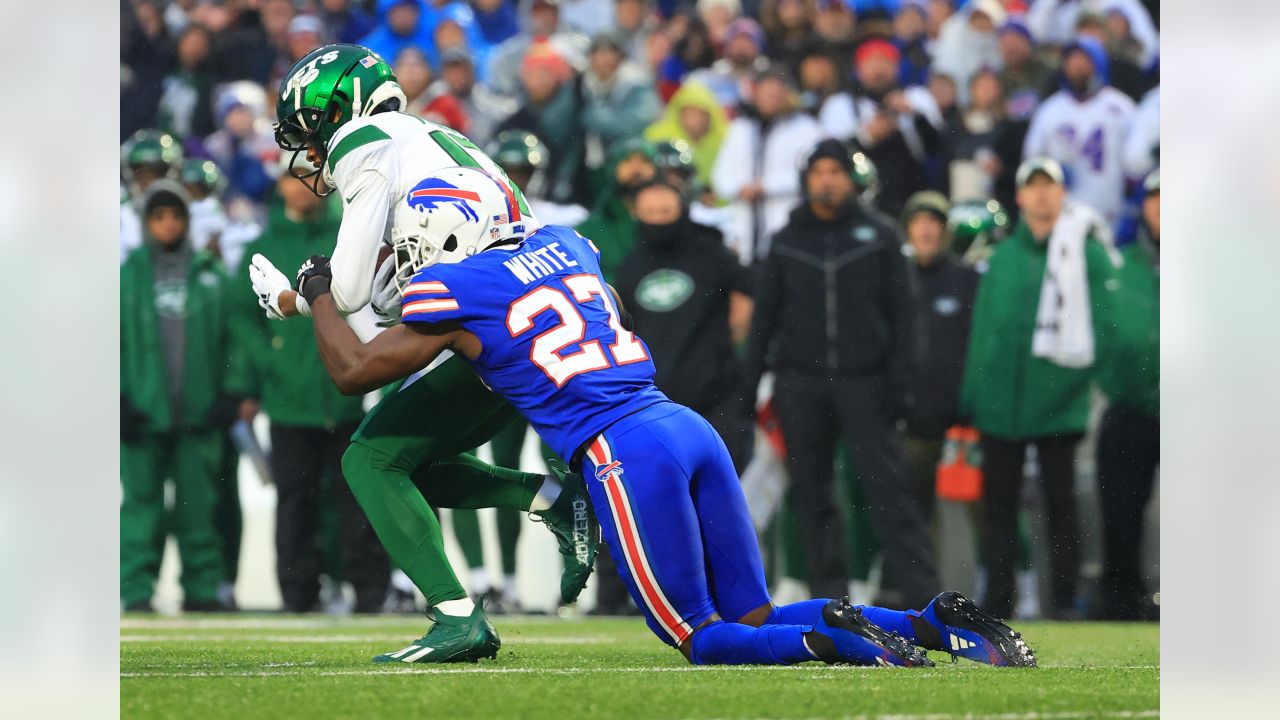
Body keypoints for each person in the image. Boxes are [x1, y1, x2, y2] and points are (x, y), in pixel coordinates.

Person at [295, 163, 1037, 669]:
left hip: (624, 450)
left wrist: (319, 293)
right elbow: (592, 317)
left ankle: (839, 642)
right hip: (681, 422)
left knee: (700, 637)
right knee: (749, 617)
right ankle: (931, 622)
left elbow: (353, 372)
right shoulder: (565, 245)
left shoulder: (455, 289)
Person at [248, 44, 598, 662]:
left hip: (492, 325)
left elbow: (347, 290)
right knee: (407, 463)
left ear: (342, 110)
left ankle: (456, 614)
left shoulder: (367, 141)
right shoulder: (434, 140)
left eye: (309, 129)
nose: (307, 150)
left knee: (367, 462)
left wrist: (297, 293)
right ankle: (552, 497)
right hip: (529, 321)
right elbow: (388, 291)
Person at [745, 140, 940, 609]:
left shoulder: (880, 235)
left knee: (888, 492)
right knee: (811, 495)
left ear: (850, 180)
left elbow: (905, 316)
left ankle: (926, 599)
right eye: (819, 172)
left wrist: (902, 383)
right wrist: (749, 383)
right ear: (806, 180)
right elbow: (764, 318)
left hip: (866, 381)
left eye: (835, 171)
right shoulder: (786, 238)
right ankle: (830, 601)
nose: (827, 180)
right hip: (801, 382)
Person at [959, 157, 1116, 620]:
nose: (1042, 195)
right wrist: (972, 394)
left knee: (1061, 503)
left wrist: (1074, 384)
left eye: (1051, 186)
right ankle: (997, 598)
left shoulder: (1084, 253)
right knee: (1000, 507)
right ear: (1021, 196)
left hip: (1059, 401)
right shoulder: (1003, 257)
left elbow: (1103, 327)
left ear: (1062, 195)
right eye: (1034, 186)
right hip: (1001, 406)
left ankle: (1067, 599)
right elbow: (984, 333)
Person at [232, 163, 391, 614]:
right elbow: (239, 317)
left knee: (359, 498)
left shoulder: (348, 240)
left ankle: (369, 590)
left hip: (350, 393)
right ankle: (298, 594)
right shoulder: (262, 249)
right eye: (293, 177)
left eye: (310, 176)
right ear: (279, 186)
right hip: (291, 400)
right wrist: (272, 363)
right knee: (296, 502)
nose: (304, 187)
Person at [121, 181, 250, 613]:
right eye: (159, 216)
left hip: (199, 415)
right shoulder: (126, 277)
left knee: (200, 510)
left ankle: (202, 587)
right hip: (140, 413)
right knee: (141, 510)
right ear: (146, 222)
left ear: (187, 221)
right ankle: (136, 590)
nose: (168, 224)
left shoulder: (211, 276)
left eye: (175, 215)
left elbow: (235, 339)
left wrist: (231, 392)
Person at [613, 181, 754, 469]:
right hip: (657, 401)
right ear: (636, 214)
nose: (658, 219)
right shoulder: (629, 266)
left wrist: (735, 334)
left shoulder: (711, 252)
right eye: (649, 211)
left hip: (717, 395)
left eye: (666, 211)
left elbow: (749, 291)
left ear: (682, 209)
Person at [1093, 169, 1159, 621]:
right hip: (1132, 406)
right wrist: (1120, 385)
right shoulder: (1121, 266)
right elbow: (1101, 335)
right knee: (1121, 508)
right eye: (1156, 198)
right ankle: (1121, 595)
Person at [897, 192, 979, 521]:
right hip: (915, 421)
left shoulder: (969, 280)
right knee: (916, 516)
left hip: (966, 424)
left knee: (984, 509)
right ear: (907, 230)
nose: (926, 230)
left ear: (946, 230)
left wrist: (972, 403)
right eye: (918, 222)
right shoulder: (895, 281)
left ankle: (999, 573)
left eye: (934, 222)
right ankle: (921, 574)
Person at [1022, 37, 1136, 227]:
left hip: (1110, 213)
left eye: (1084, 61)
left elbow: (1136, 165)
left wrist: (1131, 205)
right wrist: (1050, 170)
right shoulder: (1050, 110)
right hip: (1061, 216)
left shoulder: (1121, 108)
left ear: (1098, 63)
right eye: (1072, 62)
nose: (1078, 67)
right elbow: (1031, 159)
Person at [711, 70, 822, 262]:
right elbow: (720, 177)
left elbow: (813, 175)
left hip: (787, 223)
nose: (773, 99)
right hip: (743, 226)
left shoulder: (807, 129)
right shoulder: (740, 129)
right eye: (767, 93)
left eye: (778, 93)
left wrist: (767, 186)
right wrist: (740, 188)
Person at [850, 38, 943, 218]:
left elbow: (937, 148)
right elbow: (837, 154)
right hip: (865, 200)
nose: (878, 69)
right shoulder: (842, 105)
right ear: (858, 70)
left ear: (897, 67)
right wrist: (866, 137)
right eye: (870, 63)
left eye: (885, 62)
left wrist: (914, 115)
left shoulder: (918, 97)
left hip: (912, 197)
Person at [581, 31, 662, 178]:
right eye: (599, 54)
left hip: (635, 157)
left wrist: (593, 116)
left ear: (621, 57)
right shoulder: (584, 84)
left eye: (610, 53)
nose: (604, 60)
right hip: (596, 160)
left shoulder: (637, 82)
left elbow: (634, 125)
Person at [576, 139, 659, 280]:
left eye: (645, 162)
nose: (637, 170)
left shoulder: (673, 225)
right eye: (627, 161)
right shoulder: (589, 230)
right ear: (613, 168)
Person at [644, 80, 729, 193]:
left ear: (710, 116)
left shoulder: (727, 139)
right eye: (688, 114)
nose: (693, 121)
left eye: (700, 114)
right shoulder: (657, 137)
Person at [121, 129, 185, 263]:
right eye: (140, 173)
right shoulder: (121, 214)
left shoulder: (189, 213)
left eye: (157, 173)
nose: (148, 182)